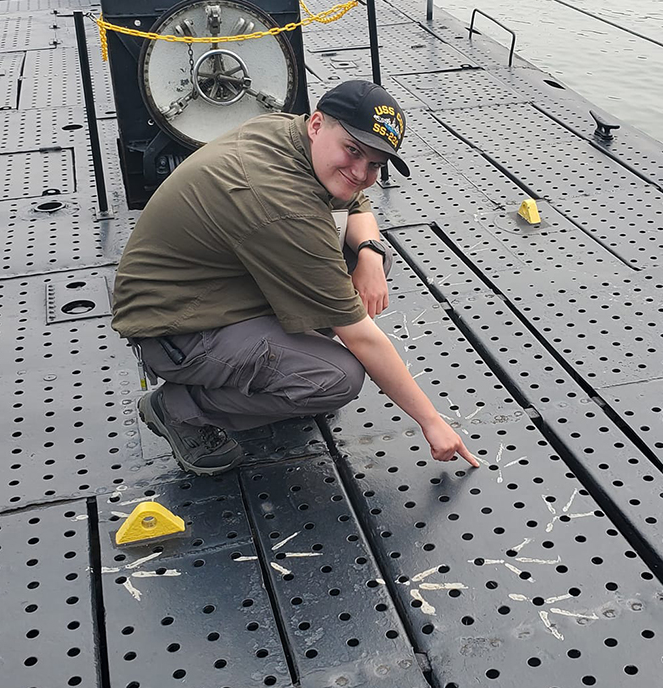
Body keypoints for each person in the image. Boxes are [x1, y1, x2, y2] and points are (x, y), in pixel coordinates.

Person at [111, 80, 479, 476]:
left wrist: (372, 253)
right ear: (318, 124)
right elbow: (361, 337)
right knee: (337, 379)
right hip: (177, 329)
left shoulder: (292, 135)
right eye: (353, 150)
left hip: (219, 284)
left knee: (358, 256)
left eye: (374, 163)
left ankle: (280, 374)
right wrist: (431, 421)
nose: (360, 171)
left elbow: (354, 199)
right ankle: (178, 408)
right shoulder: (281, 201)